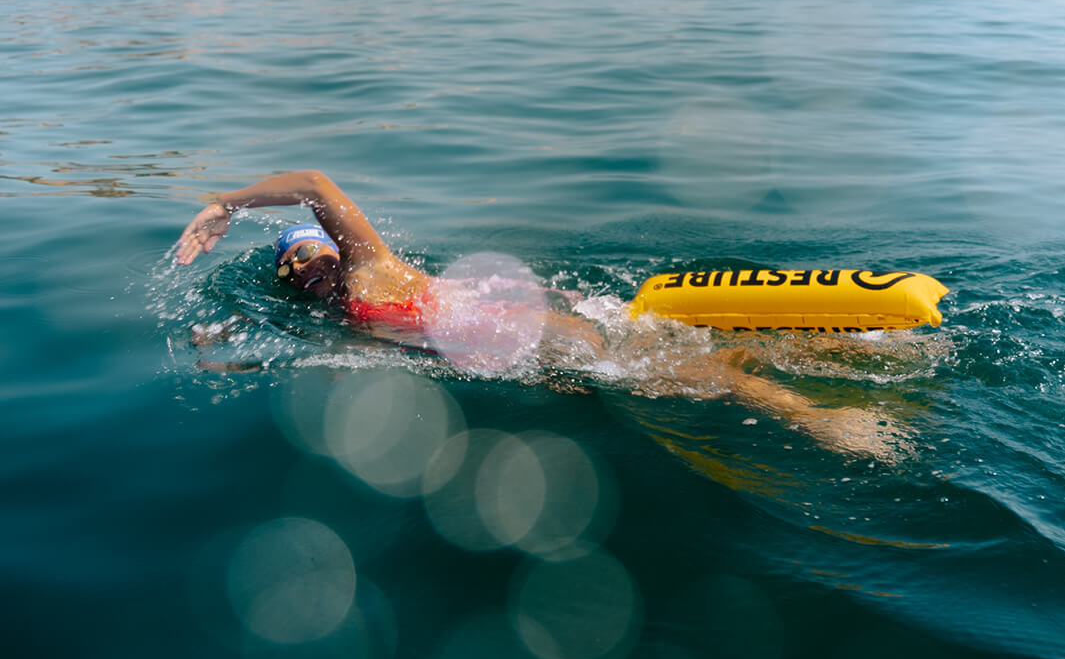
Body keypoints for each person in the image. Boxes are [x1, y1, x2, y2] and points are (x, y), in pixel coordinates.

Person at [176, 170, 909, 460]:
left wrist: (223, 205)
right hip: (522, 346)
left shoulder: (371, 268)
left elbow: (310, 181)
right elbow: (340, 372)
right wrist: (232, 354)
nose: (306, 264)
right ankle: (841, 350)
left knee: (694, 378)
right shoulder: (341, 319)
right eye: (292, 263)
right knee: (670, 361)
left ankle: (819, 419)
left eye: (310, 251)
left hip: (523, 329)